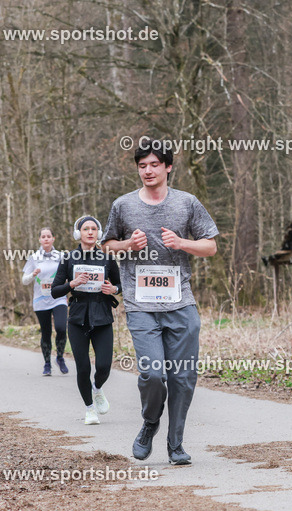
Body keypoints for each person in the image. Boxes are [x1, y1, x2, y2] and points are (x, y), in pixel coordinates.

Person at [102, 138, 218, 465]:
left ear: (168, 167)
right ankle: (150, 421)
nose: (148, 171)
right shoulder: (123, 205)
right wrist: (127, 245)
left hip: (180, 302)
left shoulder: (187, 203)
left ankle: (176, 444)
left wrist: (182, 243)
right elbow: (106, 245)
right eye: (142, 166)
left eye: (154, 164)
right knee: (153, 374)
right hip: (141, 304)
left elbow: (210, 246)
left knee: (183, 376)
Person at [51, 216, 121, 425]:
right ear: (78, 233)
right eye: (85, 229)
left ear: (98, 233)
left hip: (102, 318)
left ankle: (97, 388)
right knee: (83, 368)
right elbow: (55, 291)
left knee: (104, 366)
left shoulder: (107, 258)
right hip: (77, 319)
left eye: (93, 229)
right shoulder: (68, 258)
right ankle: (90, 409)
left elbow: (121, 285)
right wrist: (71, 284)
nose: (90, 232)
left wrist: (113, 289)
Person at [21, 228, 69, 376]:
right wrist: (32, 274)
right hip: (41, 300)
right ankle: (47, 363)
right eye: (43, 236)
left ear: (53, 238)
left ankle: (60, 357)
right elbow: (24, 280)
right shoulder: (34, 257)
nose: (46, 239)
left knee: (61, 328)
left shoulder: (61, 256)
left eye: (49, 236)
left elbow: (68, 275)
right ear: (40, 240)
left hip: (58, 298)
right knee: (46, 332)